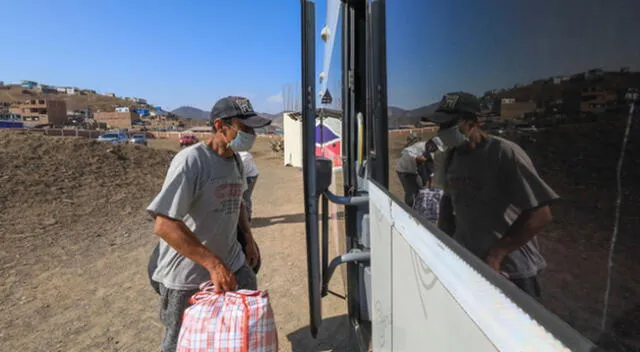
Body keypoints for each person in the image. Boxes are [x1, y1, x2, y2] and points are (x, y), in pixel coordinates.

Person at [146, 96, 271, 352]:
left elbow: (237, 203)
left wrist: (248, 239)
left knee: (242, 325)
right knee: (180, 341)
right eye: (244, 128)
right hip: (187, 275)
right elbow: (164, 224)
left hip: (232, 262)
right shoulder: (192, 161)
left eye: (252, 129)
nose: (250, 134)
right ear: (219, 125)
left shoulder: (236, 159)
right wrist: (213, 265)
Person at [429, 91, 559, 299]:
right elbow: (448, 199)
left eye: (450, 124)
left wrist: (497, 254)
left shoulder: (503, 153)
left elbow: (541, 214)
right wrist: (445, 243)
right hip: (470, 263)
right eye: (441, 125)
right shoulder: (450, 157)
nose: (443, 131)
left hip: (511, 269)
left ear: (474, 121)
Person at [395, 140, 434, 207]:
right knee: (411, 192)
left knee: (421, 189)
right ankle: (409, 209)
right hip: (404, 171)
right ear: (430, 144)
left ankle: (418, 208)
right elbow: (405, 151)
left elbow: (431, 171)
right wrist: (417, 159)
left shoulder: (431, 153)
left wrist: (429, 185)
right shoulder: (418, 147)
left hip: (414, 171)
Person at [237, 151, 259, 221]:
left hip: (250, 176)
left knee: (245, 196)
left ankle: (247, 217)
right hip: (242, 175)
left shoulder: (243, 156)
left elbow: (237, 170)